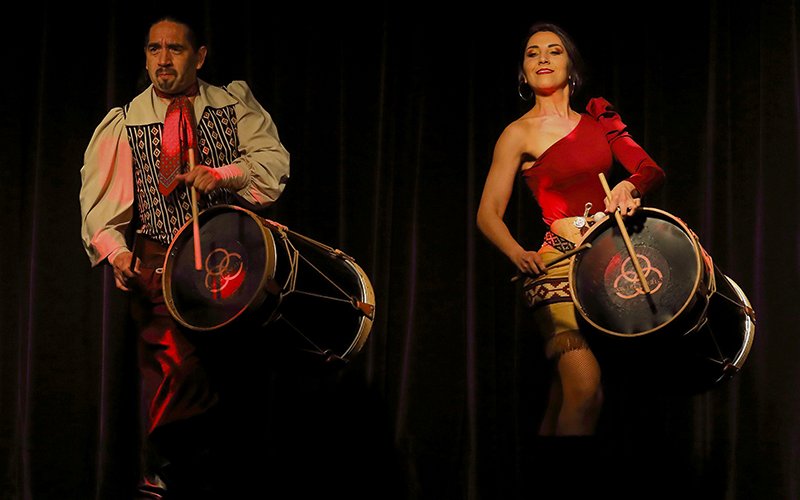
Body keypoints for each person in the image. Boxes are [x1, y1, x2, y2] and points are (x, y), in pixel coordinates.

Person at [79, 14, 290, 499]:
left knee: (233, 381)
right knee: (173, 373)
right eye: (154, 49)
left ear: (200, 55)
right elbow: (102, 205)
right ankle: (163, 474)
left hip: (231, 258)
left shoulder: (232, 103)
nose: (163, 59)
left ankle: (215, 477)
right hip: (161, 264)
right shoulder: (127, 121)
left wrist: (222, 175)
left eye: (175, 49)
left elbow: (273, 165)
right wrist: (117, 254)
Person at [476, 21, 665, 493]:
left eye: (554, 51)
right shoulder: (517, 134)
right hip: (557, 265)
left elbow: (649, 169)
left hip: (607, 266)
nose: (542, 58)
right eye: (531, 53)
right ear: (522, 71)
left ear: (570, 66)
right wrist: (518, 253)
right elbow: (487, 214)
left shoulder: (599, 118)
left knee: (564, 395)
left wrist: (629, 185)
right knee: (585, 388)